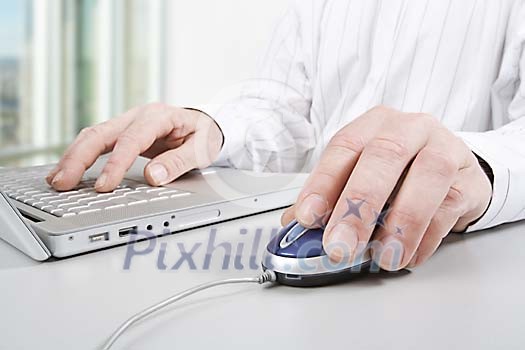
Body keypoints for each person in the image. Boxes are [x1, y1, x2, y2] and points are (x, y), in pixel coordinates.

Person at [47, 0, 525, 271]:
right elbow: (282, 109)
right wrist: (214, 127)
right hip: (305, 228)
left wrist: (476, 167)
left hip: (463, 266)